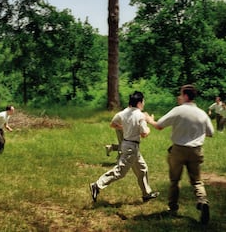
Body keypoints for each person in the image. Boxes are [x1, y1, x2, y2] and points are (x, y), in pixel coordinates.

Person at [146, 84, 214, 225]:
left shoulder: (178, 110)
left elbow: (159, 126)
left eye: (180, 94)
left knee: (175, 180)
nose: (178, 96)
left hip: (178, 150)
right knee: (196, 181)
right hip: (196, 151)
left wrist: (149, 120)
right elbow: (210, 133)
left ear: (186, 96)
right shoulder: (202, 113)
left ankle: (173, 207)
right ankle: (202, 201)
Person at [89, 91, 159, 204]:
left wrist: (125, 127)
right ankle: (97, 185)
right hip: (132, 147)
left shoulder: (123, 113)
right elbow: (144, 134)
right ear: (140, 102)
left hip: (126, 144)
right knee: (120, 172)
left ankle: (147, 194)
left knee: (142, 169)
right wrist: (149, 122)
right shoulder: (141, 115)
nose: (144, 103)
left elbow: (112, 124)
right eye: (143, 101)